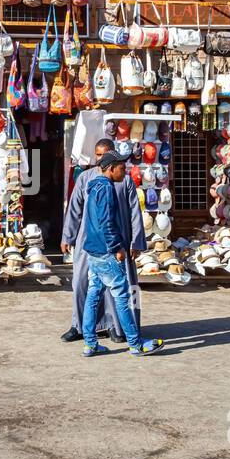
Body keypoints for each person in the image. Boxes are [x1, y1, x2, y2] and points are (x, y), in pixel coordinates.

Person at [60, 138, 146, 343]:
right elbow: (74, 209)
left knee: (118, 288)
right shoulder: (85, 178)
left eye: (104, 154)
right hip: (88, 242)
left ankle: (117, 328)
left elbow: (135, 212)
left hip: (118, 241)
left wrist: (136, 241)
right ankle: (78, 326)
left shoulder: (123, 180)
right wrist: (68, 236)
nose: (100, 159)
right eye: (98, 155)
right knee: (82, 284)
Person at [79, 151, 164, 358]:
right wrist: (117, 247)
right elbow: (106, 222)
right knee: (122, 297)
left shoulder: (94, 187)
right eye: (121, 168)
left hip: (93, 250)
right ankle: (135, 344)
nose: (124, 173)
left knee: (93, 296)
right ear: (110, 168)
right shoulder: (107, 189)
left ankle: (90, 344)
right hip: (107, 252)